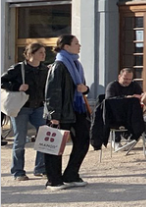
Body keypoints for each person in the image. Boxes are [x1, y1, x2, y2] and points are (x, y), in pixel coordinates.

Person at [43, 35, 90, 190]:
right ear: (66, 46)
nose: (79, 45)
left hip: (77, 110)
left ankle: (71, 175)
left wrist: (86, 89)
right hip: (61, 112)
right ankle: (54, 180)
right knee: (55, 146)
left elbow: (81, 87)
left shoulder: (76, 64)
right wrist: (54, 116)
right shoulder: (59, 65)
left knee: (83, 141)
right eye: (76, 43)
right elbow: (52, 92)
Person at [1, 42, 49, 181]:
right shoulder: (18, 68)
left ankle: (40, 168)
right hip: (21, 108)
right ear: (31, 54)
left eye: (44, 52)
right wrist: (17, 86)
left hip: (39, 107)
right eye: (41, 52)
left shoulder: (44, 69)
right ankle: (18, 172)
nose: (43, 55)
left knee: (43, 136)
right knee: (20, 140)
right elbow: (2, 81)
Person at [105, 67, 142, 152]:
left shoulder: (134, 85)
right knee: (117, 117)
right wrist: (127, 97)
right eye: (125, 78)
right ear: (119, 77)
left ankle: (133, 139)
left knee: (141, 120)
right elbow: (109, 100)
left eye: (129, 79)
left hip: (131, 113)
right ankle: (116, 140)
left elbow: (140, 95)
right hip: (115, 113)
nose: (127, 81)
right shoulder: (112, 86)